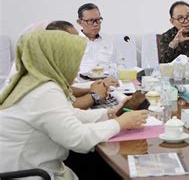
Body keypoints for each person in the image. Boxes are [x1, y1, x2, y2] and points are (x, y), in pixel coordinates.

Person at [0, 31, 147, 179]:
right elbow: (78, 138)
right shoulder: (44, 91)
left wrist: (110, 113)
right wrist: (120, 123)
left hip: (23, 169)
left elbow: (69, 115)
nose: (76, 69)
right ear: (59, 59)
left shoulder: (31, 82)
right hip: (33, 174)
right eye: (74, 61)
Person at [76, 3, 116, 74]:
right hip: (82, 83)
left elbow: (118, 64)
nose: (95, 24)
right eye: (91, 21)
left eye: (98, 20)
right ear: (79, 22)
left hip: (106, 82)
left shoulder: (109, 40)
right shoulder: (73, 41)